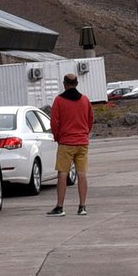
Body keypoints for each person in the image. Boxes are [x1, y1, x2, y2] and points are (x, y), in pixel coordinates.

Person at [48, 73, 94, 216]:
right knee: (82, 173)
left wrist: (58, 137)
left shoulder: (59, 100)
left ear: (64, 83)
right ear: (77, 83)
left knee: (63, 173)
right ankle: (82, 206)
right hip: (82, 142)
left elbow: (54, 122)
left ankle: (60, 207)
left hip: (66, 142)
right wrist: (85, 133)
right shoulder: (85, 100)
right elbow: (90, 119)